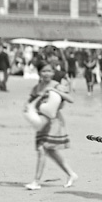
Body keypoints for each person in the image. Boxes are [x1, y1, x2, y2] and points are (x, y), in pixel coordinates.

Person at [26, 62, 78, 190]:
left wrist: (55, 91)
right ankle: (71, 174)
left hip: (54, 121)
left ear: (53, 73)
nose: (46, 74)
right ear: (39, 73)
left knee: (42, 148)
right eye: (44, 71)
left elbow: (71, 99)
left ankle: (36, 181)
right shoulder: (36, 88)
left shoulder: (56, 85)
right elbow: (30, 103)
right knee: (50, 150)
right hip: (41, 121)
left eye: (49, 71)